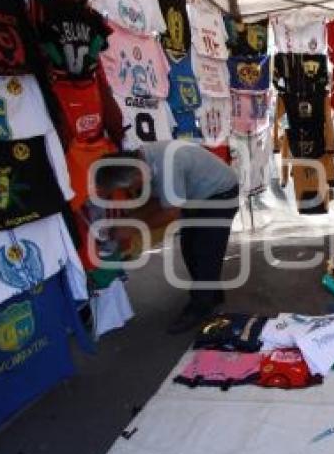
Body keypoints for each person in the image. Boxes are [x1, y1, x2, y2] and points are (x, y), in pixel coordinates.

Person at [93, 140, 239, 334]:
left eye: (131, 187)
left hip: (220, 194)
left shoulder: (166, 166)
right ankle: (211, 295)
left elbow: (170, 212)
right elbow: (158, 202)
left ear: (135, 175)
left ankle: (200, 307)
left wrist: (131, 227)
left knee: (204, 251)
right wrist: (129, 221)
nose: (132, 192)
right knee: (190, 248)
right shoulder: (143, 161)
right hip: (197, 195)